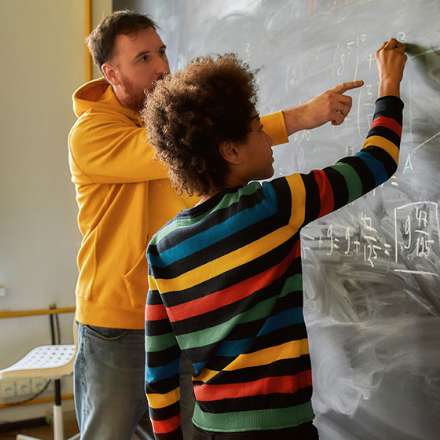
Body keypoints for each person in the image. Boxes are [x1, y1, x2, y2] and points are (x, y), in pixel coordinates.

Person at [69, 9, 367, 440]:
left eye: (161, 52)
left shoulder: (173, 123)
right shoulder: (91, 135)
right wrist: (298, 118)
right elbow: (174, 146)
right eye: (143, 59)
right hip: (115, 322)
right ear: (111, 72)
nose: (161, 68)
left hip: (183, 315)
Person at [142, 38, 406, 439]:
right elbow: (376, 161)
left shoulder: (162, 246)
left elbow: (159, 374)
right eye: (257, 130)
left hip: (209, 428)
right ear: (231, 150)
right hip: (279, 429)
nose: (268, 138)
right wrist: (389, 84)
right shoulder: (271, 205)